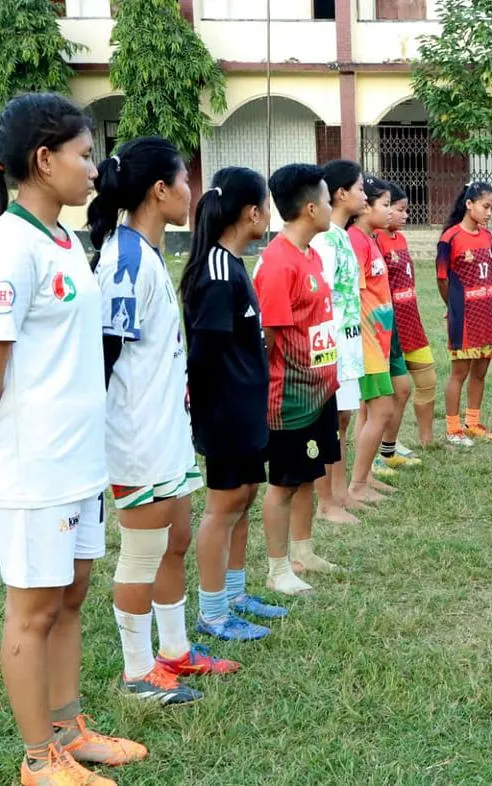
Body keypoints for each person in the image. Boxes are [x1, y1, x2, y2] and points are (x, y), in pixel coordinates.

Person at [0, 91, 147, 786]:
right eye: (85, 155)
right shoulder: (11, 246)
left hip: (81, 461)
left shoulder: (62, 238)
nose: (96, 168)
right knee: (31, 609)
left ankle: (67, 730)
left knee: (70, 592)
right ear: (43, 158)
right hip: (37, 465)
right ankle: (36, 762)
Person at [90, 137, 239, 706]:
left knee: (176, 540)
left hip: (165, 432)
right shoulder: (124, 260)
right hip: (137, 440)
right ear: (160, 190)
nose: (190, 193)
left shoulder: (147, 253)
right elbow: (103, 358)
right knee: (143, 554)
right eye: (184, 181)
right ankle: (136, 673)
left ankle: (175, 651)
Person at [180, 167, 285, 643]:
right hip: (226, 412)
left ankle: (237, 594)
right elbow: (203, 353)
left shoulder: (234, 263)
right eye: (265, 205)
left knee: (244, 499)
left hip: (245, 407)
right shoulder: (218, 271)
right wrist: (209, 412)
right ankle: (214, 612)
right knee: (222, 507)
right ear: (251, 212)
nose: (269, 213)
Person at [253, 163, 341, 596]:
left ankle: (304, 551)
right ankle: (277, 566)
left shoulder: (310, 254)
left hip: (320, 388)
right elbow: (269, 336)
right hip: (290, 394)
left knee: (309, 473)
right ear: (310, 208)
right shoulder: (277, 262)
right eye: (327, 200)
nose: (330, 206)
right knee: (284, 482)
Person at [308, 159, 369, 526]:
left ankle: (341, 492)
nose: (364, 194)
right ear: (342, 193)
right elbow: (321, 295)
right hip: (328, 345)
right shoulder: (323, 240)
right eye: (360, 188)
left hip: (348, 341)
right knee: (329, 421)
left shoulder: (343, 236)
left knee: (343, 419)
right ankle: (325, 501)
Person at [347, 176, 401, 501]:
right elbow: (353, 296)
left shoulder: (370, 239)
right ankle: (357, 485)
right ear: (365, 206)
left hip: (378, 341)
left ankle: (364, 476)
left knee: (370, 412)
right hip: (366, 342)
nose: (391, 212)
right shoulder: (356, 240)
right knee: (382, 410)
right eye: (385, 205)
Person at [437, 181, 492, 446]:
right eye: (486, 207)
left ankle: (472, 423)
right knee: (459, 373)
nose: (489, 213)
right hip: (464, 317)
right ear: (469, 204)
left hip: (487, 315)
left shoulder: (488, 236)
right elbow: (442, 279)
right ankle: (453, 429)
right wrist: (453, 307)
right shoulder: (449, 238)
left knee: (480, 371)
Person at [375, 184, 433, 456]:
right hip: (388, 325)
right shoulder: (374, 239)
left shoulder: (401, 239)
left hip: (411, 320)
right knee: (390, 391)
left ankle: (420, 439)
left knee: (425, 379)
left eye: (405, 209)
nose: (405, 215)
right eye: (399, 209)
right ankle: (385, 446)